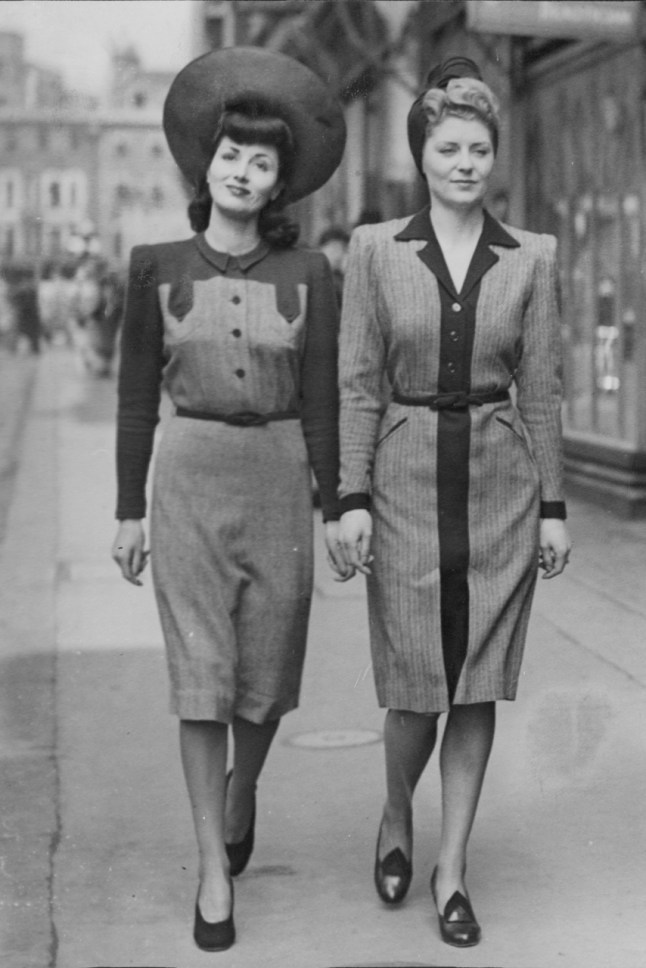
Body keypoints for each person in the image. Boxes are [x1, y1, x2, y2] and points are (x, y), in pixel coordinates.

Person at [111, 47, 348, 952]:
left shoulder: (311, 273)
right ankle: (213, 868)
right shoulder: (154, 266)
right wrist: (127, 511)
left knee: (266, 681)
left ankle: (244, 789)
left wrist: (339, 506)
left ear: (280, 182)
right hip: (188, 482)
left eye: (261, 161)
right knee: (202, 681)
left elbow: (322, 401)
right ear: (204, 166)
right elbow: (137, 399)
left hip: (281, 480)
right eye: (230, 156)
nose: (243, 172)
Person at [337, 56, 571, 948]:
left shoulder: (533, 256)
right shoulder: (374, 250)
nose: (465, 163)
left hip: (500, 487)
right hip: (401, 482)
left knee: (476, 685)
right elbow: (358, 383)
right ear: (422, 156)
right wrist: (351, 495)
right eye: (449, 149)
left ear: (494, 156)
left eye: (478, 149)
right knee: (414, 687)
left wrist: (554, 506)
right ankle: (398, 809)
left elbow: (541, 388)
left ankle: (452, 869)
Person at [317, 225, 350, 308]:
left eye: (343, 249)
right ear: (321, 248)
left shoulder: (341, 276)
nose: (338, 254)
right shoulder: (318, 276)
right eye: (334, 248)